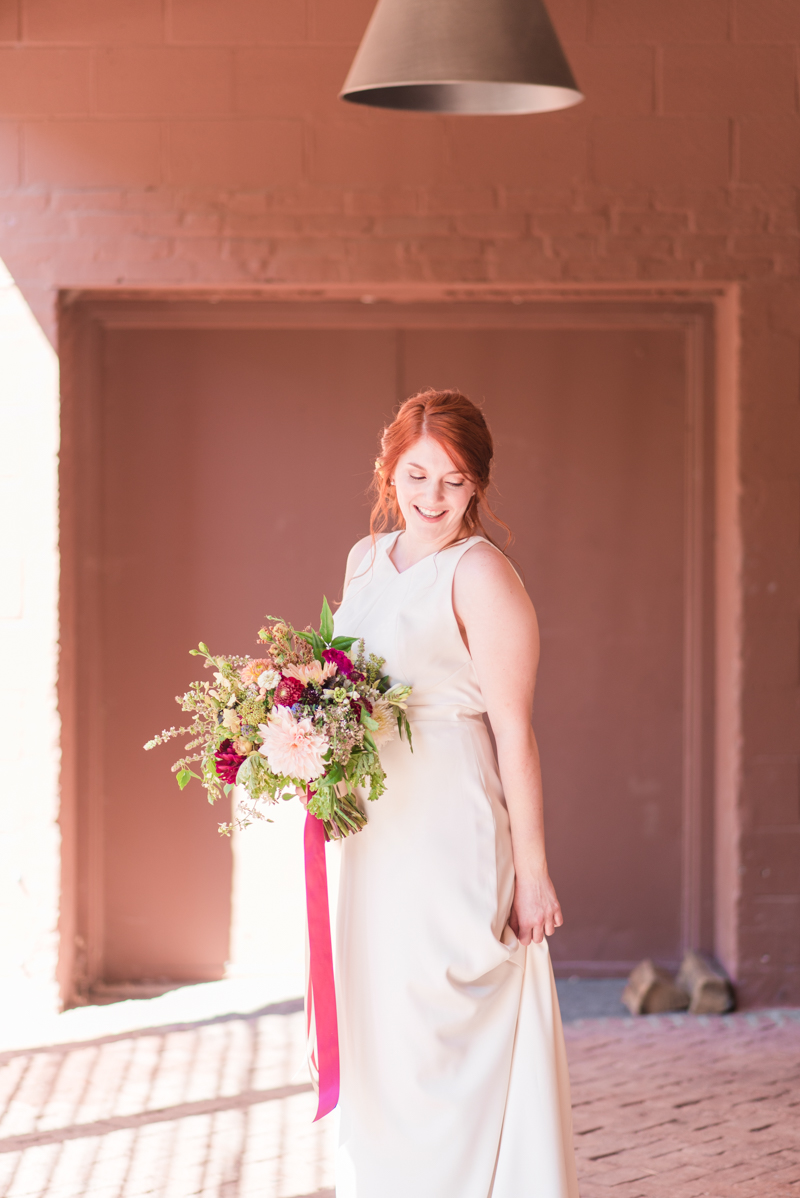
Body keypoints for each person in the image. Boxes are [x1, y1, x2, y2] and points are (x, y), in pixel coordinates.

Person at [332, 389, 579, 1198]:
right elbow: (342, 689)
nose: (432, 497)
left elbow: (515, 731)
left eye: (454, 480)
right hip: (374, 825)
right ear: (389, 470)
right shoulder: (364, 562)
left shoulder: (481, 574)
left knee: (445, 1009)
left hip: (451, 819)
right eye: (417, 474)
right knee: (384, 1014)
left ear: (478, 486)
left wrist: (534, 871)